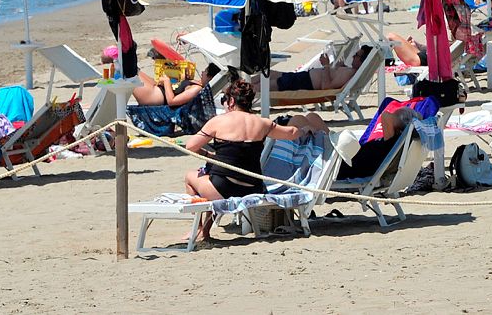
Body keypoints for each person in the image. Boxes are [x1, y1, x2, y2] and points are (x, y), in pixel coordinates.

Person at [183, 80, 324, 241]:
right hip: (253, 188)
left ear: (231, 101)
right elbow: (291, 132)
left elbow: (190, 146)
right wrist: (306, 129)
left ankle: (201, 228)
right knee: (212, 178)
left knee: (191, 177)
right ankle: (204, 230)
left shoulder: (219, 121)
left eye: (225, 101)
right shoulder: (262, 122)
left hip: (223, 188)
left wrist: (210, 157)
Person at [256, 46, 373, 94]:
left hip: (303, 83)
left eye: (356, 56)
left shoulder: (350, 74)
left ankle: (242, 91)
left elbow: (326, 88)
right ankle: (240, 85)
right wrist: (337, 67)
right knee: (268, 74)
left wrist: (326, 66)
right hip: (302, 77)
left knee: (265, 84)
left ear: (362, 61)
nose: (353, 57)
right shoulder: (350, 71)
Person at [133, 62, 218, 108]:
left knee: (128, 73)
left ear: (210, 77)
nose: (202, 72)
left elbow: (172, 101)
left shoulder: (197, 89)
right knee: (132, 67)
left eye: (205, 71)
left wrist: (167, 82)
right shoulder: (197, 83)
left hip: (155, 97)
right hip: (156, 88)